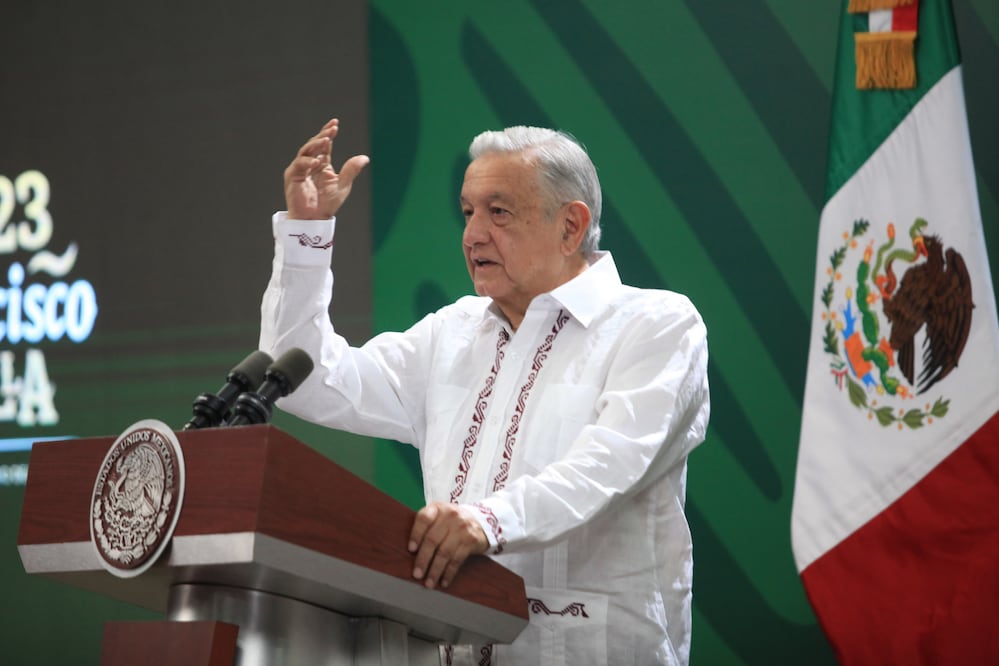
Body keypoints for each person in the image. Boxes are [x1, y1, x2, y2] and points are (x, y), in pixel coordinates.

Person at [259, 118, 710, 665]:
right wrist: (307, 234)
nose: (473, 235)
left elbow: (608, 465)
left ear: (571, 226)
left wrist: (487, 521)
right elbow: (304, 379)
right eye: (468, 211)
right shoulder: (453, 332)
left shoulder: (657, 324)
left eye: (499, 212)